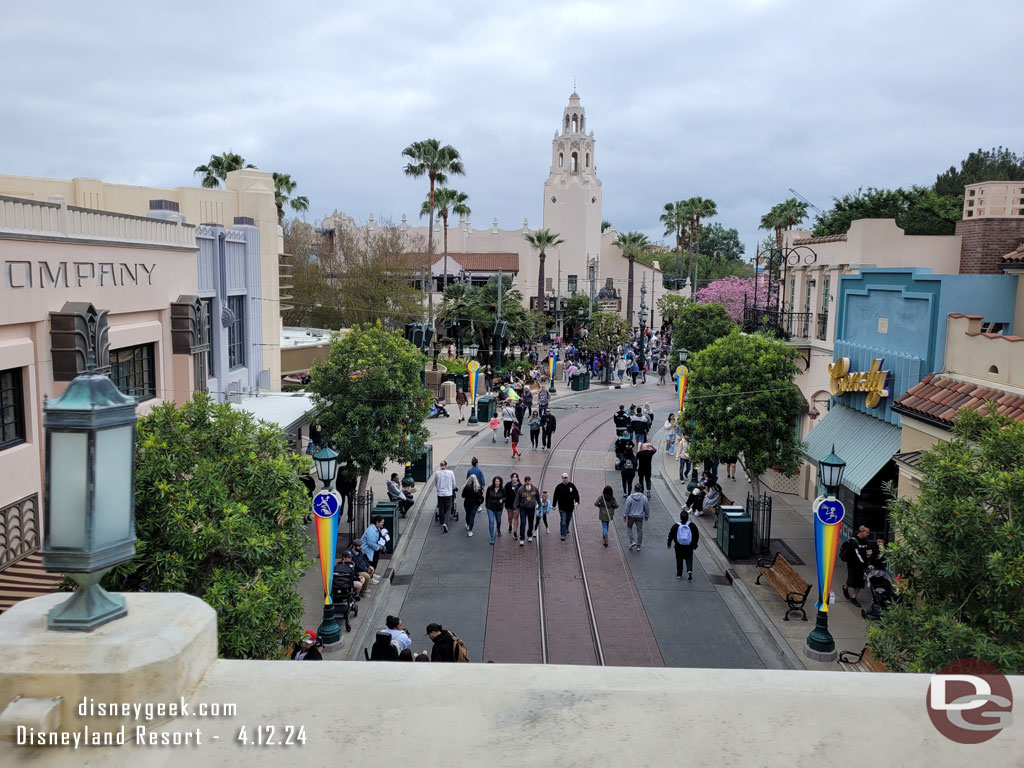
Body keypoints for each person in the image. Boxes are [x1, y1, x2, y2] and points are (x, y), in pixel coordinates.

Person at [841, 525, 876, 607]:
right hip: (853, 564)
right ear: (862, 532)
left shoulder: (865, 540)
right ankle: (845, 587)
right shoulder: (853, 541)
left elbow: (867, 550)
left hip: (862, 565)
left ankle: (854, 597)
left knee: (860, 582)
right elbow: (857, 555)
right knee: (851, 580)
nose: (868, 534)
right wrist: (865, 564)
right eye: (867, 532)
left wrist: (869, 559)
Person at [667, 510, 700, 580]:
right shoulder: (692, 525)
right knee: (689, 558)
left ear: (680, 517)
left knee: (679, 559)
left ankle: (679, 574)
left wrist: (669, 543)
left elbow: (671, 535)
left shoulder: (676, 526)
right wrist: (695, 544)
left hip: (679, 546)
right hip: (689, 546)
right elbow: (696, 535)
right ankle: (689, 570)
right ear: (688, 517)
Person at [552, 471, 580, 541]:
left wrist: (577, 501)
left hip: (570, 507)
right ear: (562, 478)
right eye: (564, 478)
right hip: (562, 507)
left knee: (568, 519)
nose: (565, 479)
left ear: (568, 478)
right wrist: (554, 505)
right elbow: (555, 496)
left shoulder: (572, 486)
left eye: (566, 478)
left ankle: (566, 528)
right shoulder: (558, 487)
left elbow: (576, 494)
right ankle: (563, 534)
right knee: (563, 520)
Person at [623, 482, 650, 552]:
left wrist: (625, 515)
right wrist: (647, 515)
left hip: (631, 516)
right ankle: (638, 545)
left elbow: (627, 507)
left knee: (629, 527)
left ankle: (632, 541)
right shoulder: (644, 498)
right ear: (640, 489)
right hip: (640, 516)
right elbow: (647, 507)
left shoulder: (630, 498)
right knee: (639, 530)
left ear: (634, 489)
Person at [514, 475, 540, 545]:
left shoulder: (535, 489)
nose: (528, 482)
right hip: (523, 508)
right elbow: (517, 499)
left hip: (531, 508)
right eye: (526, 481)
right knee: (523, 523)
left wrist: (539, 505)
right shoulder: (521, 489)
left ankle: (529, 535)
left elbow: (538, 497)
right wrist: (515, 508)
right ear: (524, 482)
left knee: (531, 523)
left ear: (531, 481)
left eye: (529, 481)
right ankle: (522, 538)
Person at [434, 460, 457, 533]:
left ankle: (441, 521)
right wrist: (453, 488)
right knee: (448, 508)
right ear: (446, 466)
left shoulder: (437, 473)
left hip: (440, 493)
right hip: (448, 493)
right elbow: (454, 483)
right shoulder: (450, 473)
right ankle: (446, 522)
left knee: (441, 507)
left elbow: (435, 482)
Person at [485, 476, 505, 544]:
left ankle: (498, 529)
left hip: (499, 508)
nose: (497, 483)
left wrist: (502, 500)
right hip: (490, 508)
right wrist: (487, 506)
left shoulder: (502, 489)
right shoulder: (490, 488)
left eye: (498, 481)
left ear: (500, 482)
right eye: (496, 481)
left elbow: (505, 497)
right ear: (494, 482)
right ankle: (492, 537)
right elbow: (487, 497)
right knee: (491, 521)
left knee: (498, 521)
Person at [504, 472, 522, 539]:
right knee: (510, 517)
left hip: (517, 505)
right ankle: (510, 524)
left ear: (517, 478)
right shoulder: (507, 485)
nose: (514, 478)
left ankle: (515, 532)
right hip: (509, 504)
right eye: (513, 477)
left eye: (516, 477)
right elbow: (504, 494)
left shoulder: (520, 485)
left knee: (516, 518)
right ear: (511, 478)